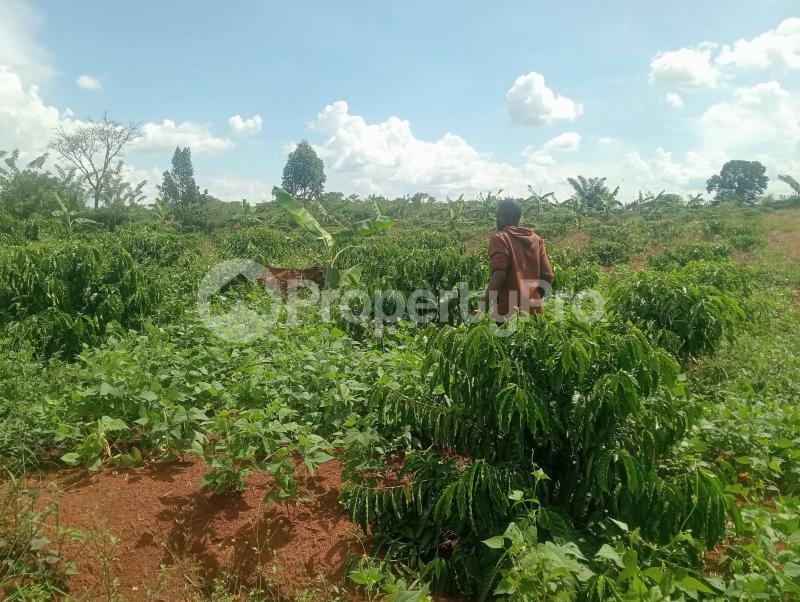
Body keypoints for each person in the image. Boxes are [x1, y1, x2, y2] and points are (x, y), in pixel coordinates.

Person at [484, 199, 554, 321]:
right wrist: (533, 298)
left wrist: (480, 307)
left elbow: (499, 274)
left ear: (501, 217)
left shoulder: (500, 238)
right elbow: (548, 275)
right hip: (535, 313)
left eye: (497, 217)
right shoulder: (536, 239)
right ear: (518, 218)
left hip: (507, 314)